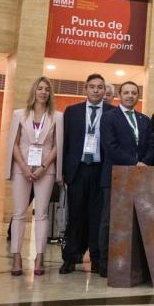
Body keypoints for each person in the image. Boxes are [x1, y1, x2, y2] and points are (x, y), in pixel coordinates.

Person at [7, 76, 63, 276]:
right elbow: (13, 143)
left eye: (47, 89)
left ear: (50, 93)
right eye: (40, 88)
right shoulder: (19, 114)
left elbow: (57, 145)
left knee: (41, 214)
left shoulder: (57, 117)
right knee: (19, 213)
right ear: (34, 91)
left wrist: (42, 166)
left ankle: (39, 257)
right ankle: (16, 256)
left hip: (45, 169)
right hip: (21, 169)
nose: (43, 92)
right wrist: (23, 166)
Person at [98, 81, 154, 277]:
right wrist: (134, 162)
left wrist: (144, 162)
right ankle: (104, 264)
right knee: (109, 220)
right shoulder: (108, 117)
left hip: (139, 177)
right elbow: (110, 146)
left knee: (136, 221)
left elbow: (150, 146)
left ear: (137, 96)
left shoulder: (144, 119)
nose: (130, 96)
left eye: (134, 93)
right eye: (126, 92)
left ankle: (134, 262)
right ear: (119, 96)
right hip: (114, 176)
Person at [59, 73, 107, 275]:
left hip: (100, 170)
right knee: (75, 216)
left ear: (105, 91)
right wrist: (63, 173)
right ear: (85, 89)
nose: (96, 90)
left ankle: (97, 259)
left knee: (97, 217)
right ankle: (70, 258)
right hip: (78, 170)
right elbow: (64, 143)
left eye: (100, 87)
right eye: (92, 86)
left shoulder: (112, 113)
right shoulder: (72, 112)